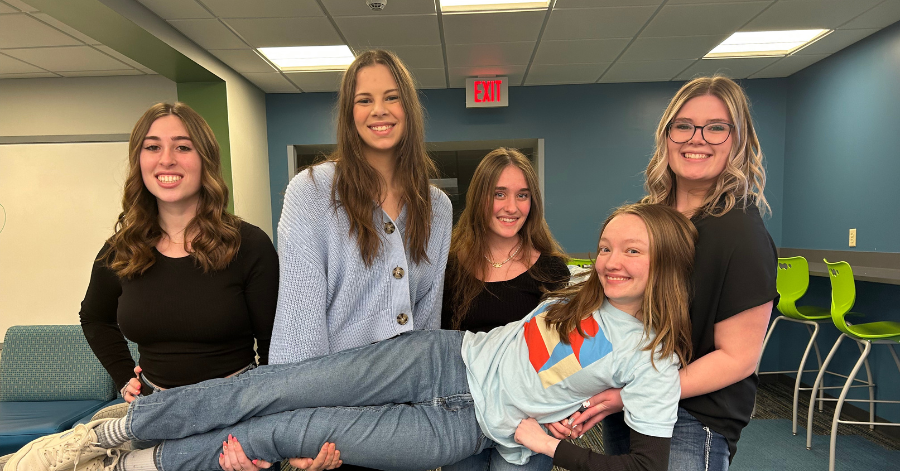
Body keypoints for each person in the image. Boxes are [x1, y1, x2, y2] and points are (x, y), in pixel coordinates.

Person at [4, 203, 696, 471]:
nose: (611, 260)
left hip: (464, 427)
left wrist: (547, 442)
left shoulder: (654, 359)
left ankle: (137, 466)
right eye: (606, 245)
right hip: (442, 356)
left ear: (663, 261)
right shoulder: (579, 289)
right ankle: (105, 435)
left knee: (293, 429)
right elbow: (537, 347)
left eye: (631, 252)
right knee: (270, 386)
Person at [554, 76, 777, 470]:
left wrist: (634, 392)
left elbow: (738, 357)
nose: (697, 139)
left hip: (690, 417)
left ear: (737, 140)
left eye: (716, 128)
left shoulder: (739, 231)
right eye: (684, 125)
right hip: (631, 400)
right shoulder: (650, 217)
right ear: (667, 136)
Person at [265, 49, 453, 471]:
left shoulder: (436, 206)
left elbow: (427, 319)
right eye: (364, 100)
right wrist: (294, 426)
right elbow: (299, 316)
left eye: (391, 97)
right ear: (349, 114)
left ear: (409, 107)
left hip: (405, 416)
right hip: (333, 413)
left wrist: (428, 411)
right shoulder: (311, 191)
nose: (379, 111)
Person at [78, 102, 277, 403]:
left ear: (205, 159)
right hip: (153, 409)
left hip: (235, 408)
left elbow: (274, 345)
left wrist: (264, 409)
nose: (166, 160)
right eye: (153, 147)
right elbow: (94, 317)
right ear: (139, 160)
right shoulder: (122, 250)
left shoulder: (248, 245)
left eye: (183, 147)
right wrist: (123, 375)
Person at [441, 148, 569, 471]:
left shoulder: (551, 271)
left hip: (528, 419)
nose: (512, 207)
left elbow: (563, 357)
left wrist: (563, 410)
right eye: (499, 194)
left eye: (522, 195)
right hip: (463, 413)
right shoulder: (450, 268)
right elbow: (440, 344)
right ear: (480, 197)